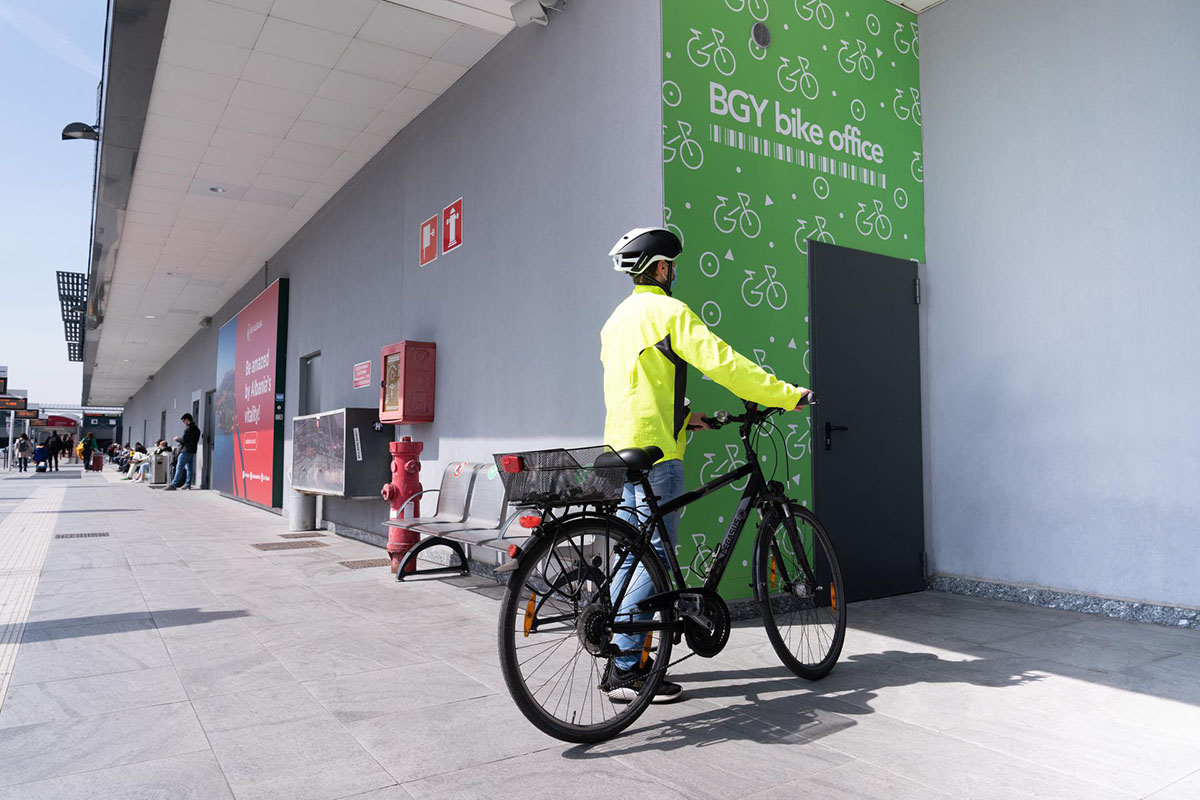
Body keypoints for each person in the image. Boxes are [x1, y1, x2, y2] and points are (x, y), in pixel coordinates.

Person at [598, 227, 813, 703]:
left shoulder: (616, 321)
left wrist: (684, 417)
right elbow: (726, 364)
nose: (673, 273)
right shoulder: (669, 312)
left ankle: (612, 635)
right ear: (659, 268)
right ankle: (626, 665)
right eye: (670, 266)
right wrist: (784, 395)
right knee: (655, 555)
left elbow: (635, 384)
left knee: (635, 551)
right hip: (658, 454)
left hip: (621, 448)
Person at [164, 413, 201, 490]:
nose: (184, 422)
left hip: (185, 450)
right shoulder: (197, 429)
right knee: (189, 468)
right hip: (192, 451)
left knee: (179, 467)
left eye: (184, 421)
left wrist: (177, 438)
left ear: (187, 420)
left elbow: (184, 440)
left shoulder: (188, 428)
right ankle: (188, 485)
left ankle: (173, 485)